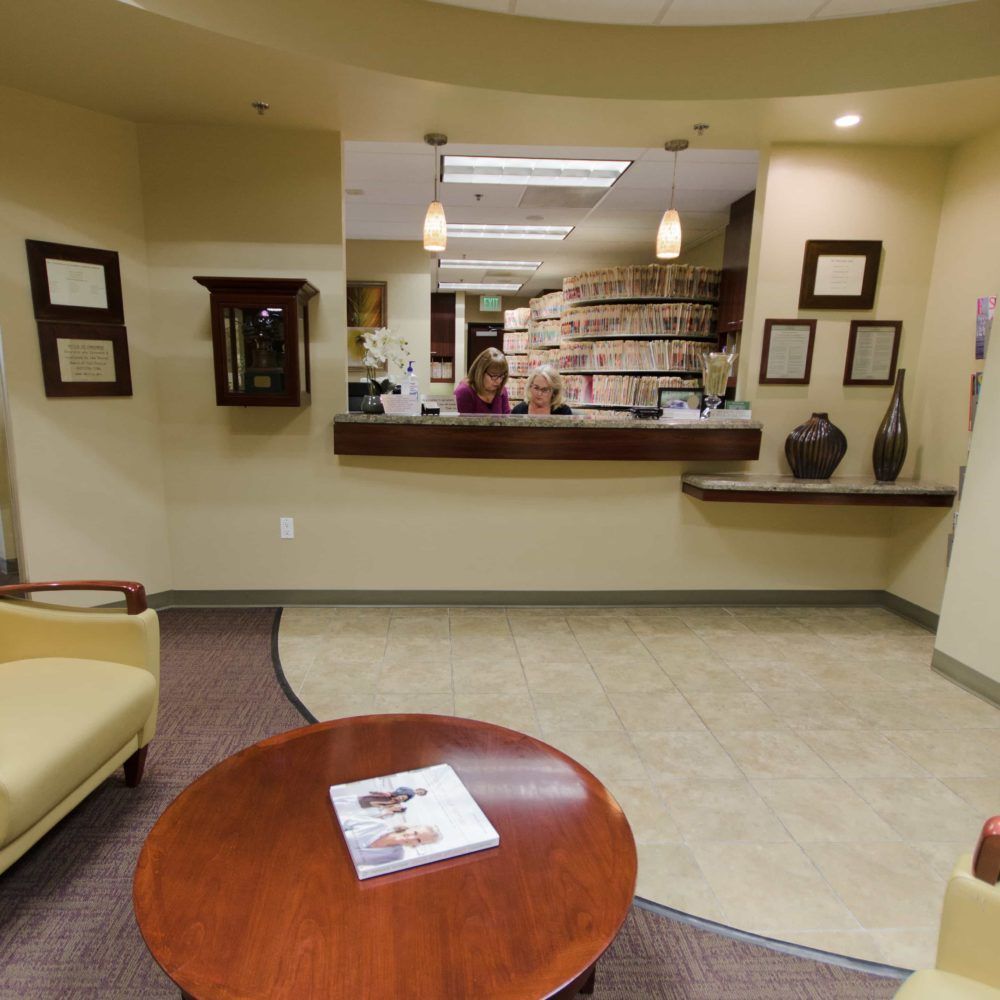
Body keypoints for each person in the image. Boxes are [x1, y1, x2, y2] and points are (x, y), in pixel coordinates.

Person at [341, 815, 441, 866]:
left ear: (419, 845)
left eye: (418, 840)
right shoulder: (377, 824)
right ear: (410, 827)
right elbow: (339, 822)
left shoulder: (396, 857)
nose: (411, 838)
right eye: (415, 833)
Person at [454, 348, 511, 414]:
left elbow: (507, 420)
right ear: (480, 372)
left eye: (501, 376)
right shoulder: (464, 392)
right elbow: (460, 423)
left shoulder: (502, 391)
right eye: (494, 376)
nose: (499, 381)